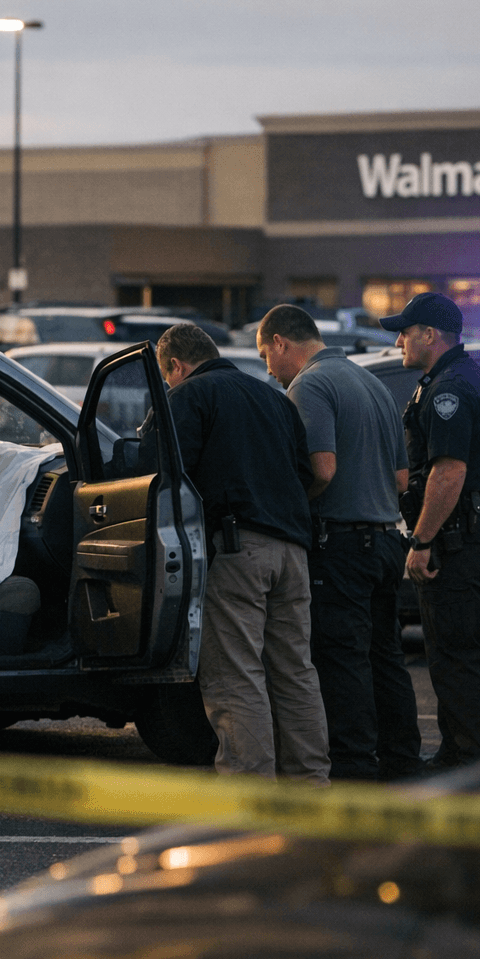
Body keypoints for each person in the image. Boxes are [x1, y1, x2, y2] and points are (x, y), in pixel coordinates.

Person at [156, 322, 329, 782]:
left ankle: (250, 794)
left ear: (176, 365)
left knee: (235, 678)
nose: (170, 383)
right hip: (293, 551)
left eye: (168, 375)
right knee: (296, 673)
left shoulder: (189, 396)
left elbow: (166, 475)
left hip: (236, 551)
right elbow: (304, 472)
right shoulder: (275, 398)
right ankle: (311, 785)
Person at [257, 305, 423, 781]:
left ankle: (352, 766)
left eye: (266, 355)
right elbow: (401, 477)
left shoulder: (309, 385)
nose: (269, 368)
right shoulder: (372, 383)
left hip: (343, 546)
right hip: (386, 540)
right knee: (386, 656)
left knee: (341, 658)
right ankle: (401, 759)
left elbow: (322, 468)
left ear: (281, 343)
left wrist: (292, 502)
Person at [381, 292, 480, 770]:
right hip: (472, 531)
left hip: (457, 537)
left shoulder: (449, 389)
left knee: (457, 658)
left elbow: (449, 472)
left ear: (429, 335)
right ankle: (460, 752)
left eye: (405, 331)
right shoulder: (466, 377)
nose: (399, 341)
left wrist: (423, 540)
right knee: (451, 653)